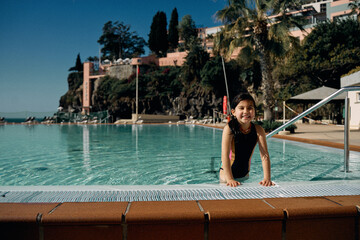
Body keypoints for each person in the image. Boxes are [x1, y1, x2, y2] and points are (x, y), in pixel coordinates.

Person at [219, 92, 274, 187]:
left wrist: (267, 178)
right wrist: (230, 179)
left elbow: (264, 156)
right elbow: (225, 156)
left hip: (244, 174)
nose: (246, 111)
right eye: (241, 108)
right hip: (226, 175)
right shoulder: (229, 129)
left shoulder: (258, 130)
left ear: (254, 111)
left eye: (250, 108)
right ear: (233, 112)